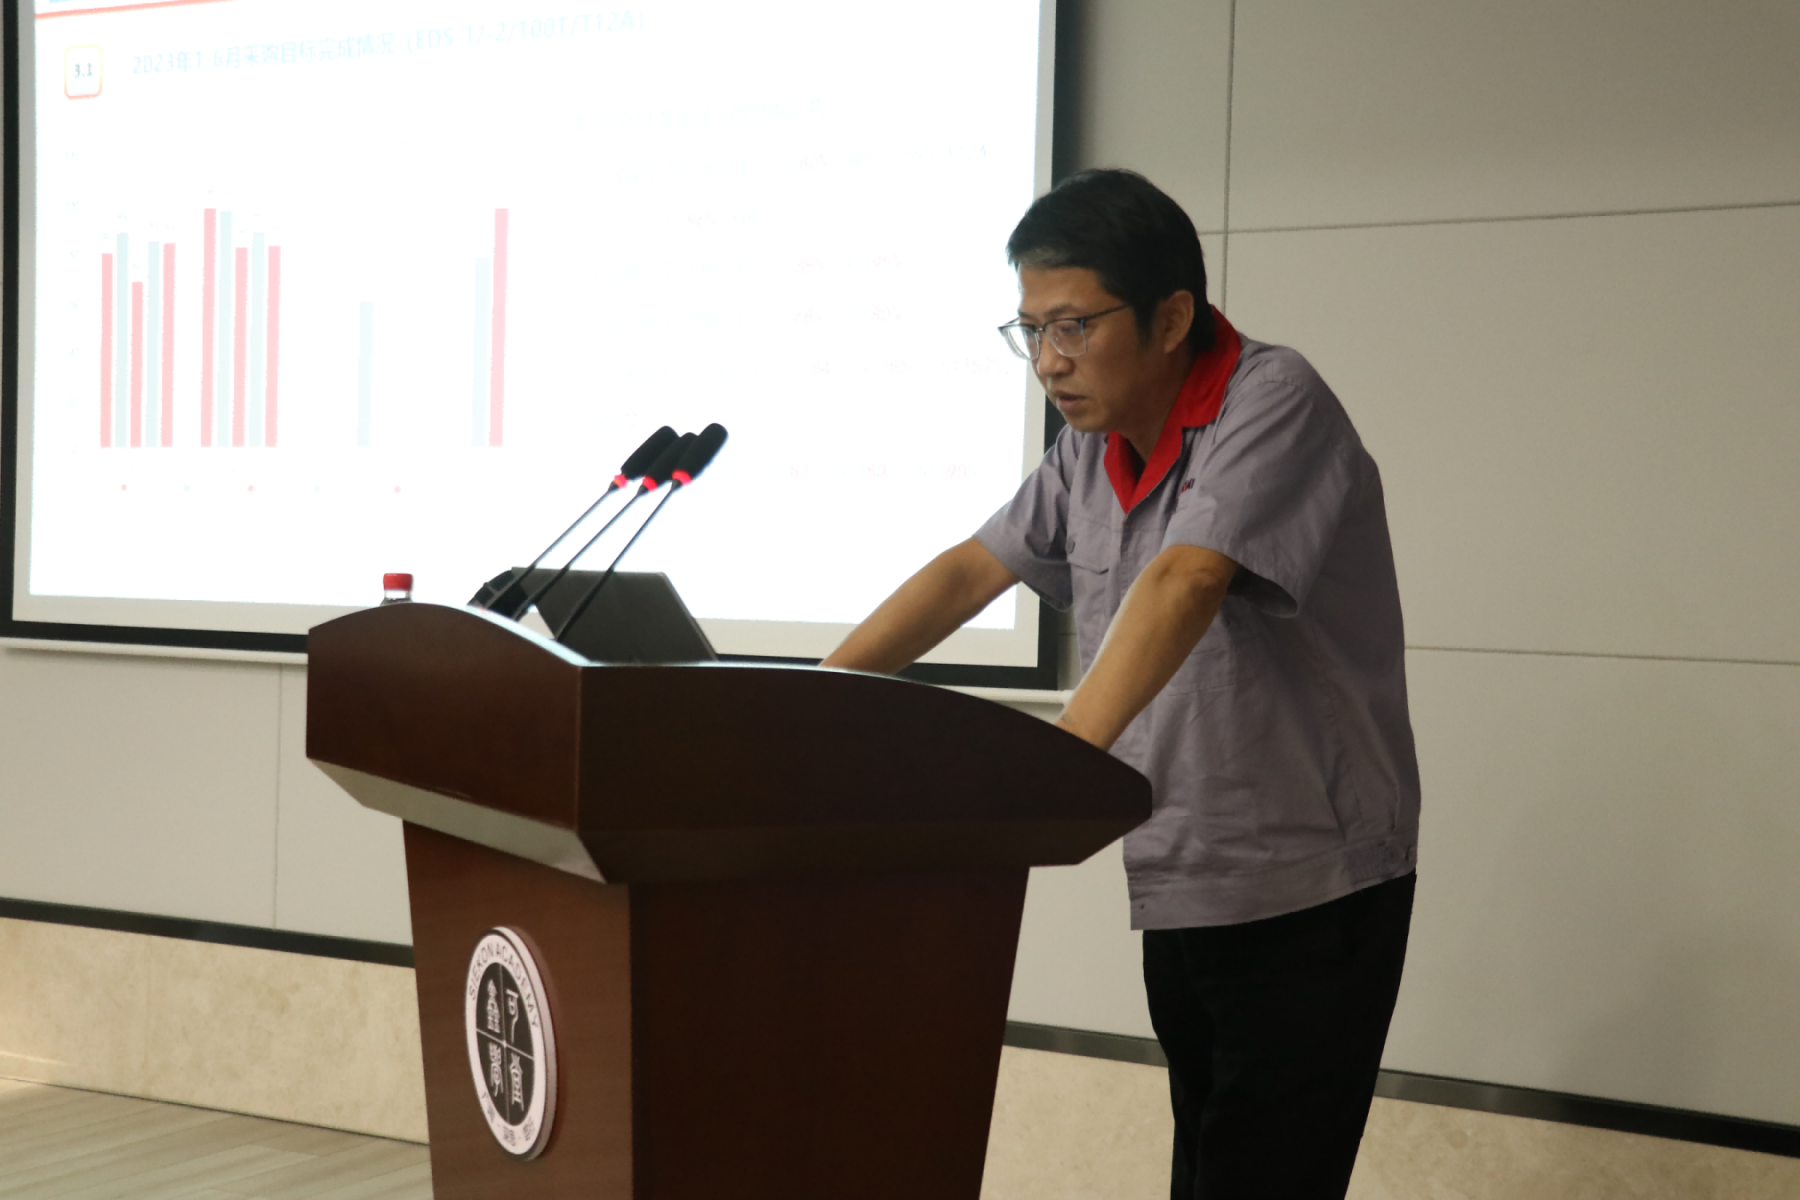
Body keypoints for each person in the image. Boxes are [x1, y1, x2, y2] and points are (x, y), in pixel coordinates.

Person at [821, 168, 1421, 1199]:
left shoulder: (1272, 399)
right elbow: (970, 572)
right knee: (1208, 1167)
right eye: (1030, 332)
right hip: (1185, 867)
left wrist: (1050, 774)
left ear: (1171, 316)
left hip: (1312, 885)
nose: (1049, 362)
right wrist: (806, 701)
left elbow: (1188, 578)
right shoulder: (1088, 451)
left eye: (1073, 327)